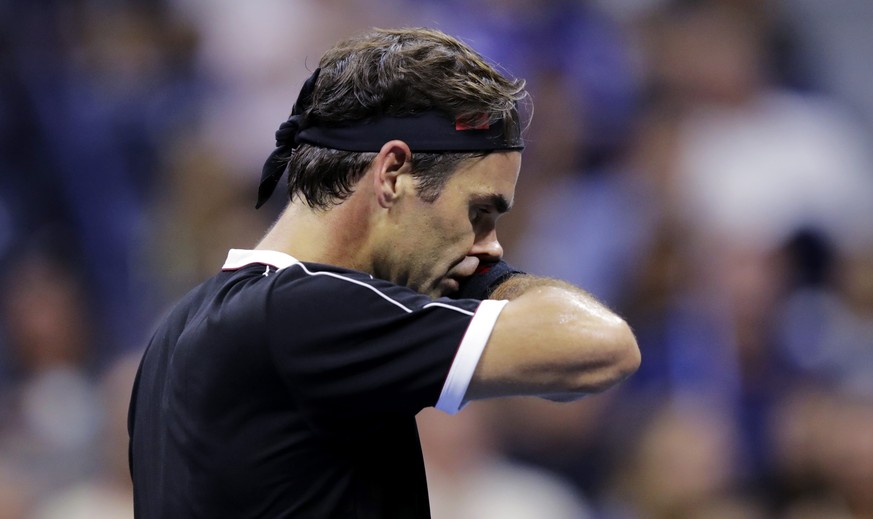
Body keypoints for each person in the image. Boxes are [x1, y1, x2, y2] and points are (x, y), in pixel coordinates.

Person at [128, 27, 640, 518]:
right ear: (392, 174)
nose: (490, 244)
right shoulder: (308, 311)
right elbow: (601, 349)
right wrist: (490, 280)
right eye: (478, 212)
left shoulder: (175, 331)